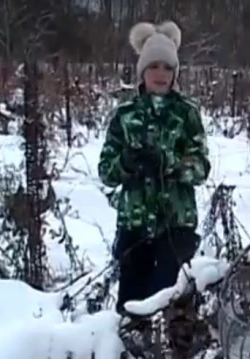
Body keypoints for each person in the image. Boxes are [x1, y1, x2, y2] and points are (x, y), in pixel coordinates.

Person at [98, 21, 211, 315]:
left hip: (176, 228)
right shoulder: (125, 116)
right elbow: (106, 173)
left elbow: (201, 167)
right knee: (131, 313)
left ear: (175, 73)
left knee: (174, 314)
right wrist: (128, 161)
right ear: (142, 72)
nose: (160, 74)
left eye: (167, 67)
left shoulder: (187, 114)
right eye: (153, 67)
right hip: (134, 227)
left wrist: (169, 163)